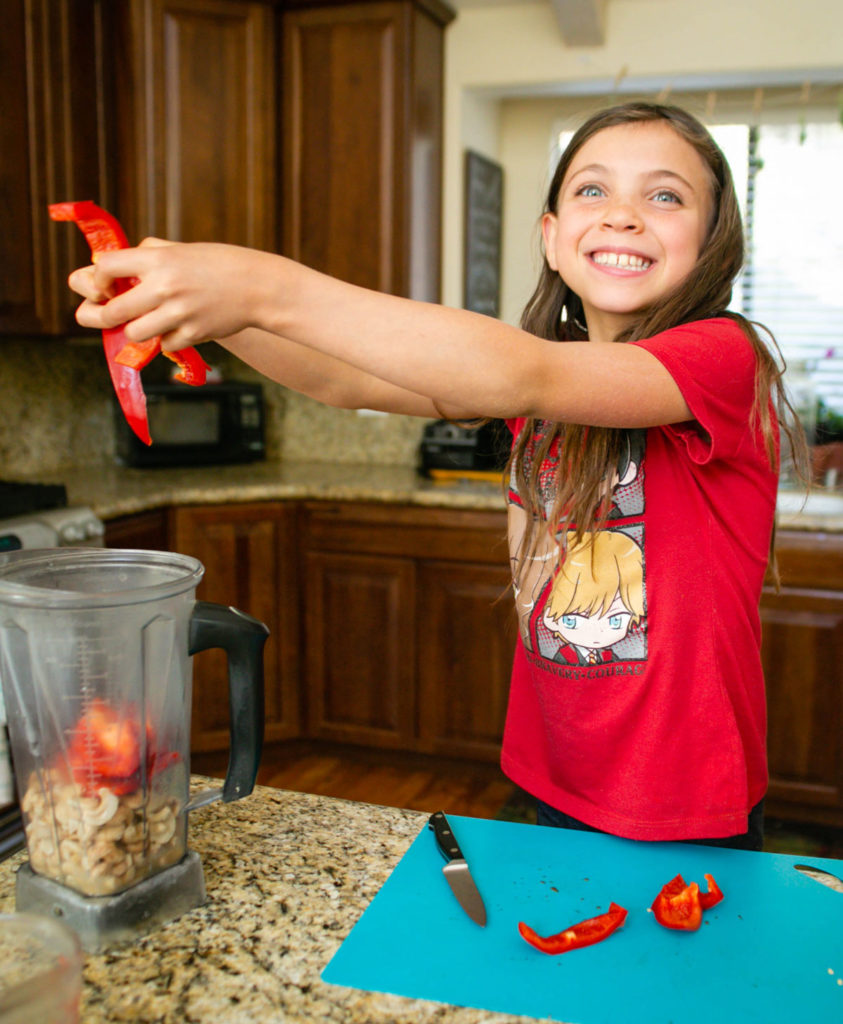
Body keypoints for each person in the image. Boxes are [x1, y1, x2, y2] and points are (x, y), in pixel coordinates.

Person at [68, 102, 806, 850]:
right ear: (551, 240)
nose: (621, 215)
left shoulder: (721, 357)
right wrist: (215, 314)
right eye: (591, 190)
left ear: (714, 245)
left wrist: (262, 287)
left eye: (663, 195)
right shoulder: (539, 387)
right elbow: (341, 379)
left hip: (681, 794)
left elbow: (519, 371)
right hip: (557, 773)